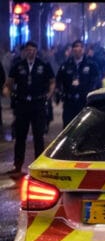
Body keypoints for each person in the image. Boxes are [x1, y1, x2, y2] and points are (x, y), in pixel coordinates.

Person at [5, 41, 55, 174]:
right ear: (25, 51)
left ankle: (39, 165)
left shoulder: (43, 65)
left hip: (38, 104)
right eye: (28, 50)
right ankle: (17, 165)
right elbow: (9, 82)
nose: (30, 52)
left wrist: (48, 96)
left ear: (36, 51)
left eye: (33, 50)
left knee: (39, 136)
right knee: (20, 136)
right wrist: (11, 94)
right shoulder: (18, 66)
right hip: (22, 105)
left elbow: (52, 82)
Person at [56, 39, 100, 128]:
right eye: (75, 50)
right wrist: (59, 93)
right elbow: (58, 80)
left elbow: (96, 81)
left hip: (84, 101)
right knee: (68, 128)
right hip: (69, 102)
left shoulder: (91, 65)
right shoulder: (66, 65)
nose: (77, 52)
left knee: (84, 127)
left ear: (83, 50)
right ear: (72, 51)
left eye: (80, 50)